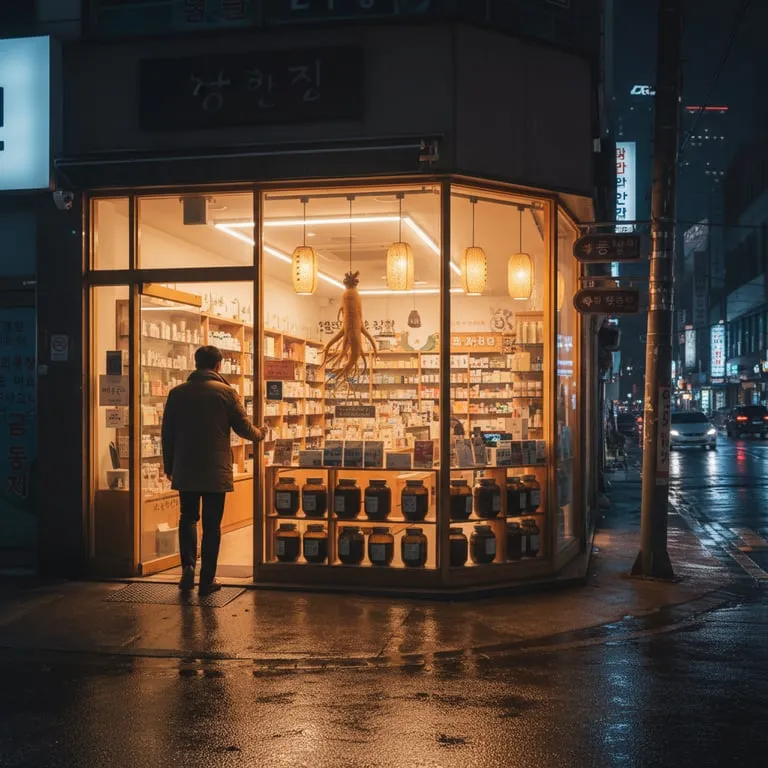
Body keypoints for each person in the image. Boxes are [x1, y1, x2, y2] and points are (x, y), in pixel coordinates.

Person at [162, 345, 265, 596]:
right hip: (214, 470)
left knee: (187, 518)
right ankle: (206, 579)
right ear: (218, 365)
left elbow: (167, 433)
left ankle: (187, 569)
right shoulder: (227, 393)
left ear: (196, 363)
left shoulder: (177, 393)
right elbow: (243, 428)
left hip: (185, 467)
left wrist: (169, 466)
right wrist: (260, 435)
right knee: (211, 525)